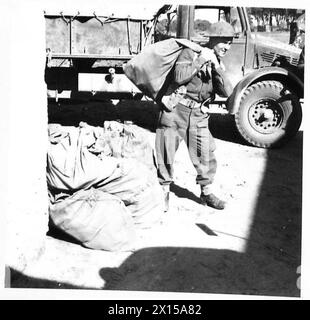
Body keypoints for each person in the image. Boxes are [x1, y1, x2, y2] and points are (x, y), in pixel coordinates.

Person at [155, 21, 235, 212]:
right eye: (224, 42)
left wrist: (216, 68)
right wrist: (200, 61)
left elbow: (227, 92)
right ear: (213, 39)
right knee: (166, 152)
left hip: (199, 114)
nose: (227, 47)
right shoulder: (191, 52)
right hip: (176, 110)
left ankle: (206, 193)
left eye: (230, 42)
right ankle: (163, 192)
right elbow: (179, 77)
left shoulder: (217, 61)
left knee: (205, 153)